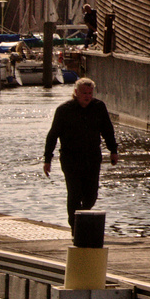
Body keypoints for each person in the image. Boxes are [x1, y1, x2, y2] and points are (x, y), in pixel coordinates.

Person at [43, 77, 119, 230]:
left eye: (90, 93)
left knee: (91, 196)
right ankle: (75, 227)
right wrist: (47, 159)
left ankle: (82, 218)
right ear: (76, 92)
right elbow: (52, 136)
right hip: (70, 158)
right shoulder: (64, 110)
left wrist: (113, 150)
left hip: (92, 157)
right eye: (84, 93)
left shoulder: (98, 107)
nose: (87, 97)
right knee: (74, 194)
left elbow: (107, 130)